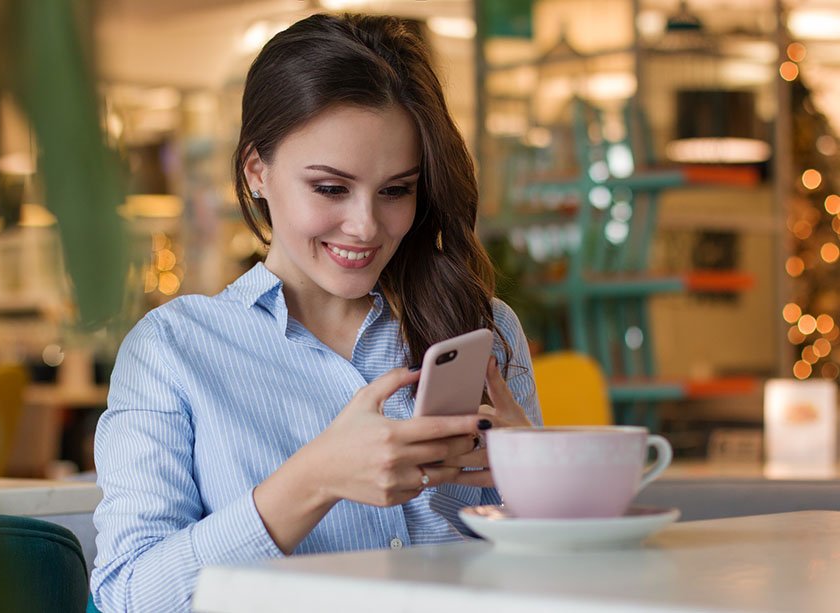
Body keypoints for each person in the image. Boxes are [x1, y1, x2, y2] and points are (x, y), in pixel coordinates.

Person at [91, 13, 541, 612]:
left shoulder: (479, 327)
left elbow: (552, 574)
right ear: (257, 170)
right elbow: (129, 595)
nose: (366, 226)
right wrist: (313, 481)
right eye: (331, 188)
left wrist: (540, 481)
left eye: (396, 190)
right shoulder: (173, 349)